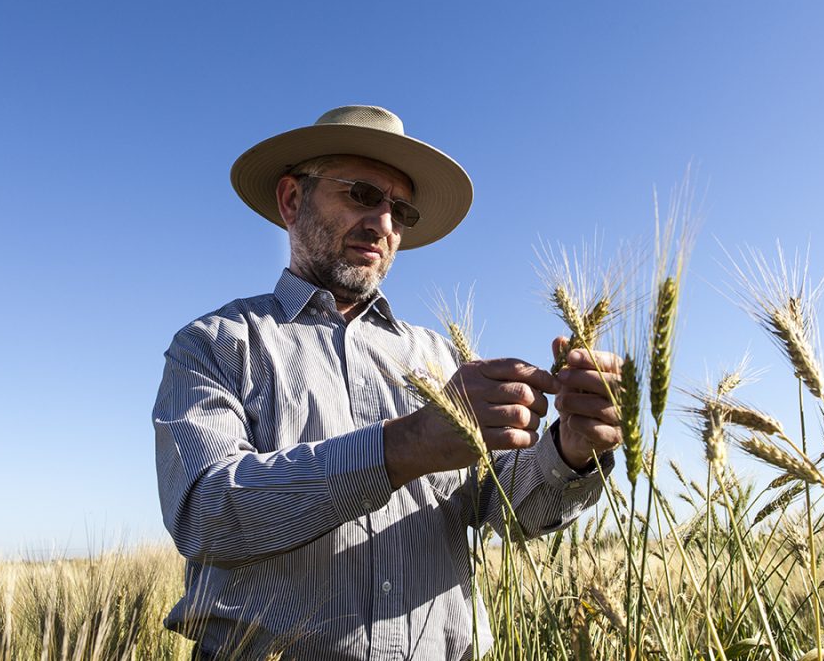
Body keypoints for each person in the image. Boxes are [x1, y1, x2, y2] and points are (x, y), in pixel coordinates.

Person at [153, 105, 623, 660]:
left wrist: (570, 451)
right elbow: (206, 516)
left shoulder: (440, 357)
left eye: (401, 209)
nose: (384, 224)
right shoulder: (216, 344)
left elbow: (505, 511)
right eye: (361, 194)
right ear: (291, 200)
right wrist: (407, 444)